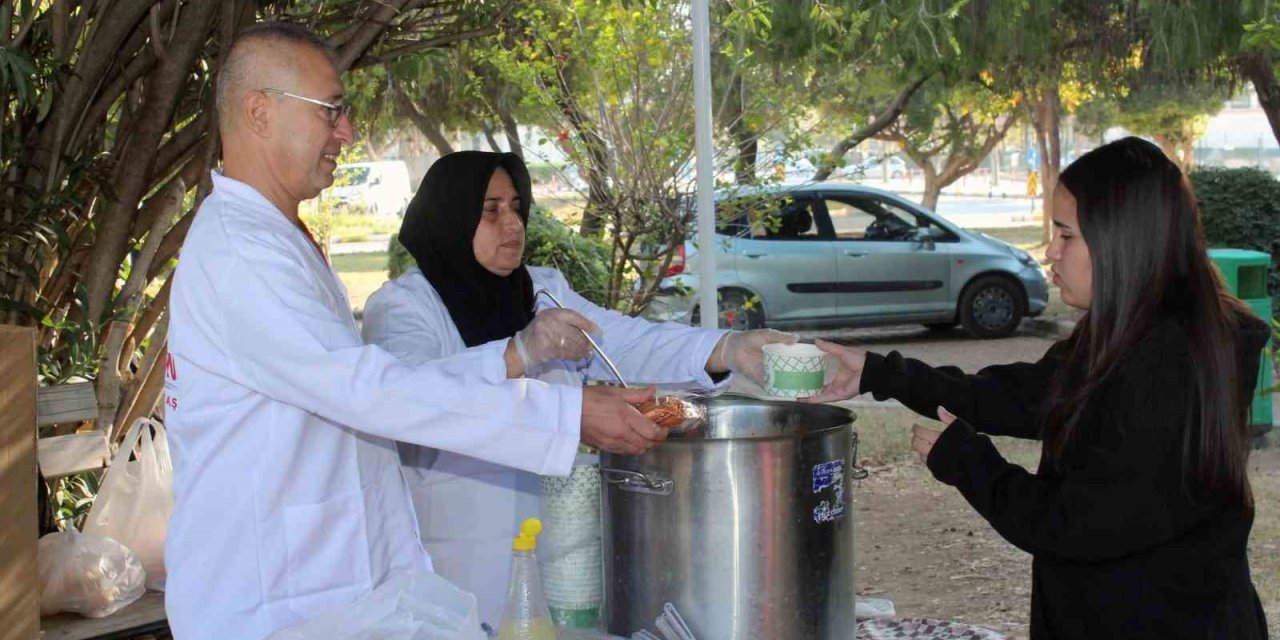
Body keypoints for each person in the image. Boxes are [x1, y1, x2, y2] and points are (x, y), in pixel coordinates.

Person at [164, 24, 665, 640]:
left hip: (326, 585)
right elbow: (371, 392)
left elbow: (381, 386)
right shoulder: (242, 253)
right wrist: (565, 414)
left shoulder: (277, 239)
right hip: (273, 599)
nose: (346, 131)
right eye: (332, 111)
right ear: (259, 111)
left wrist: (514, 359)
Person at [805, 137, 1270, 639]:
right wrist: (881, 374)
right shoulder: (1131, 332)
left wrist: (971, 462)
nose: (1050, 252)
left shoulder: (1170, 367)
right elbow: (1027, 395)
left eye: (1066, 236)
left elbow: (1077, 526)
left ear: (1123, 243)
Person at [362, 150, 796, 625]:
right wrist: (519, 352)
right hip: (455, 556)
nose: (512, 223)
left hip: (559, 552)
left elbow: (626, 340)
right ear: (450, 214)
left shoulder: (541, 290)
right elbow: (412, 403)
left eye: (517, 206)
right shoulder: (404, 308)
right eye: (491, 209)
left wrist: (729, 348)